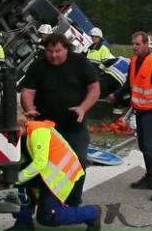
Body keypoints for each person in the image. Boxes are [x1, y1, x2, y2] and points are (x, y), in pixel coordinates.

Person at [20, 33, 100, 206]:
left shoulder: (80, 62)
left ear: (66, 49)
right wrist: (30, 108)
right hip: (44, 128)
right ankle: (36, 199)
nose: (54, 55)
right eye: (50, 51)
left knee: (78, 162)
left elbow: (94, 88)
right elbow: (27, 91)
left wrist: (83, 108)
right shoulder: (38, 66)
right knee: (36, 163)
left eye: (58, 51)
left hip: (73, 126)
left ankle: (73, 202)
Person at [107, 31, 152, 202]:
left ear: (146, 44)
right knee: (144, 146)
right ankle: (151, 178)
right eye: (133, 44)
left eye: (137, 44)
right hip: (141, 109)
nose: (134, 47)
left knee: (151, 147)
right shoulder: (134, 62)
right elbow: (129, 85)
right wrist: (115, 95)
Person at [10, 116, 102, 230]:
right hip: (51, 173)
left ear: (19, 127)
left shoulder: (38, 132)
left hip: (60, 176)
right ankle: (23, 224)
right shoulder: (32, 131)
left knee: (47, 216)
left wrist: (16, 179)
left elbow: (40, 163)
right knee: (14, 185)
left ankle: (92, 213)